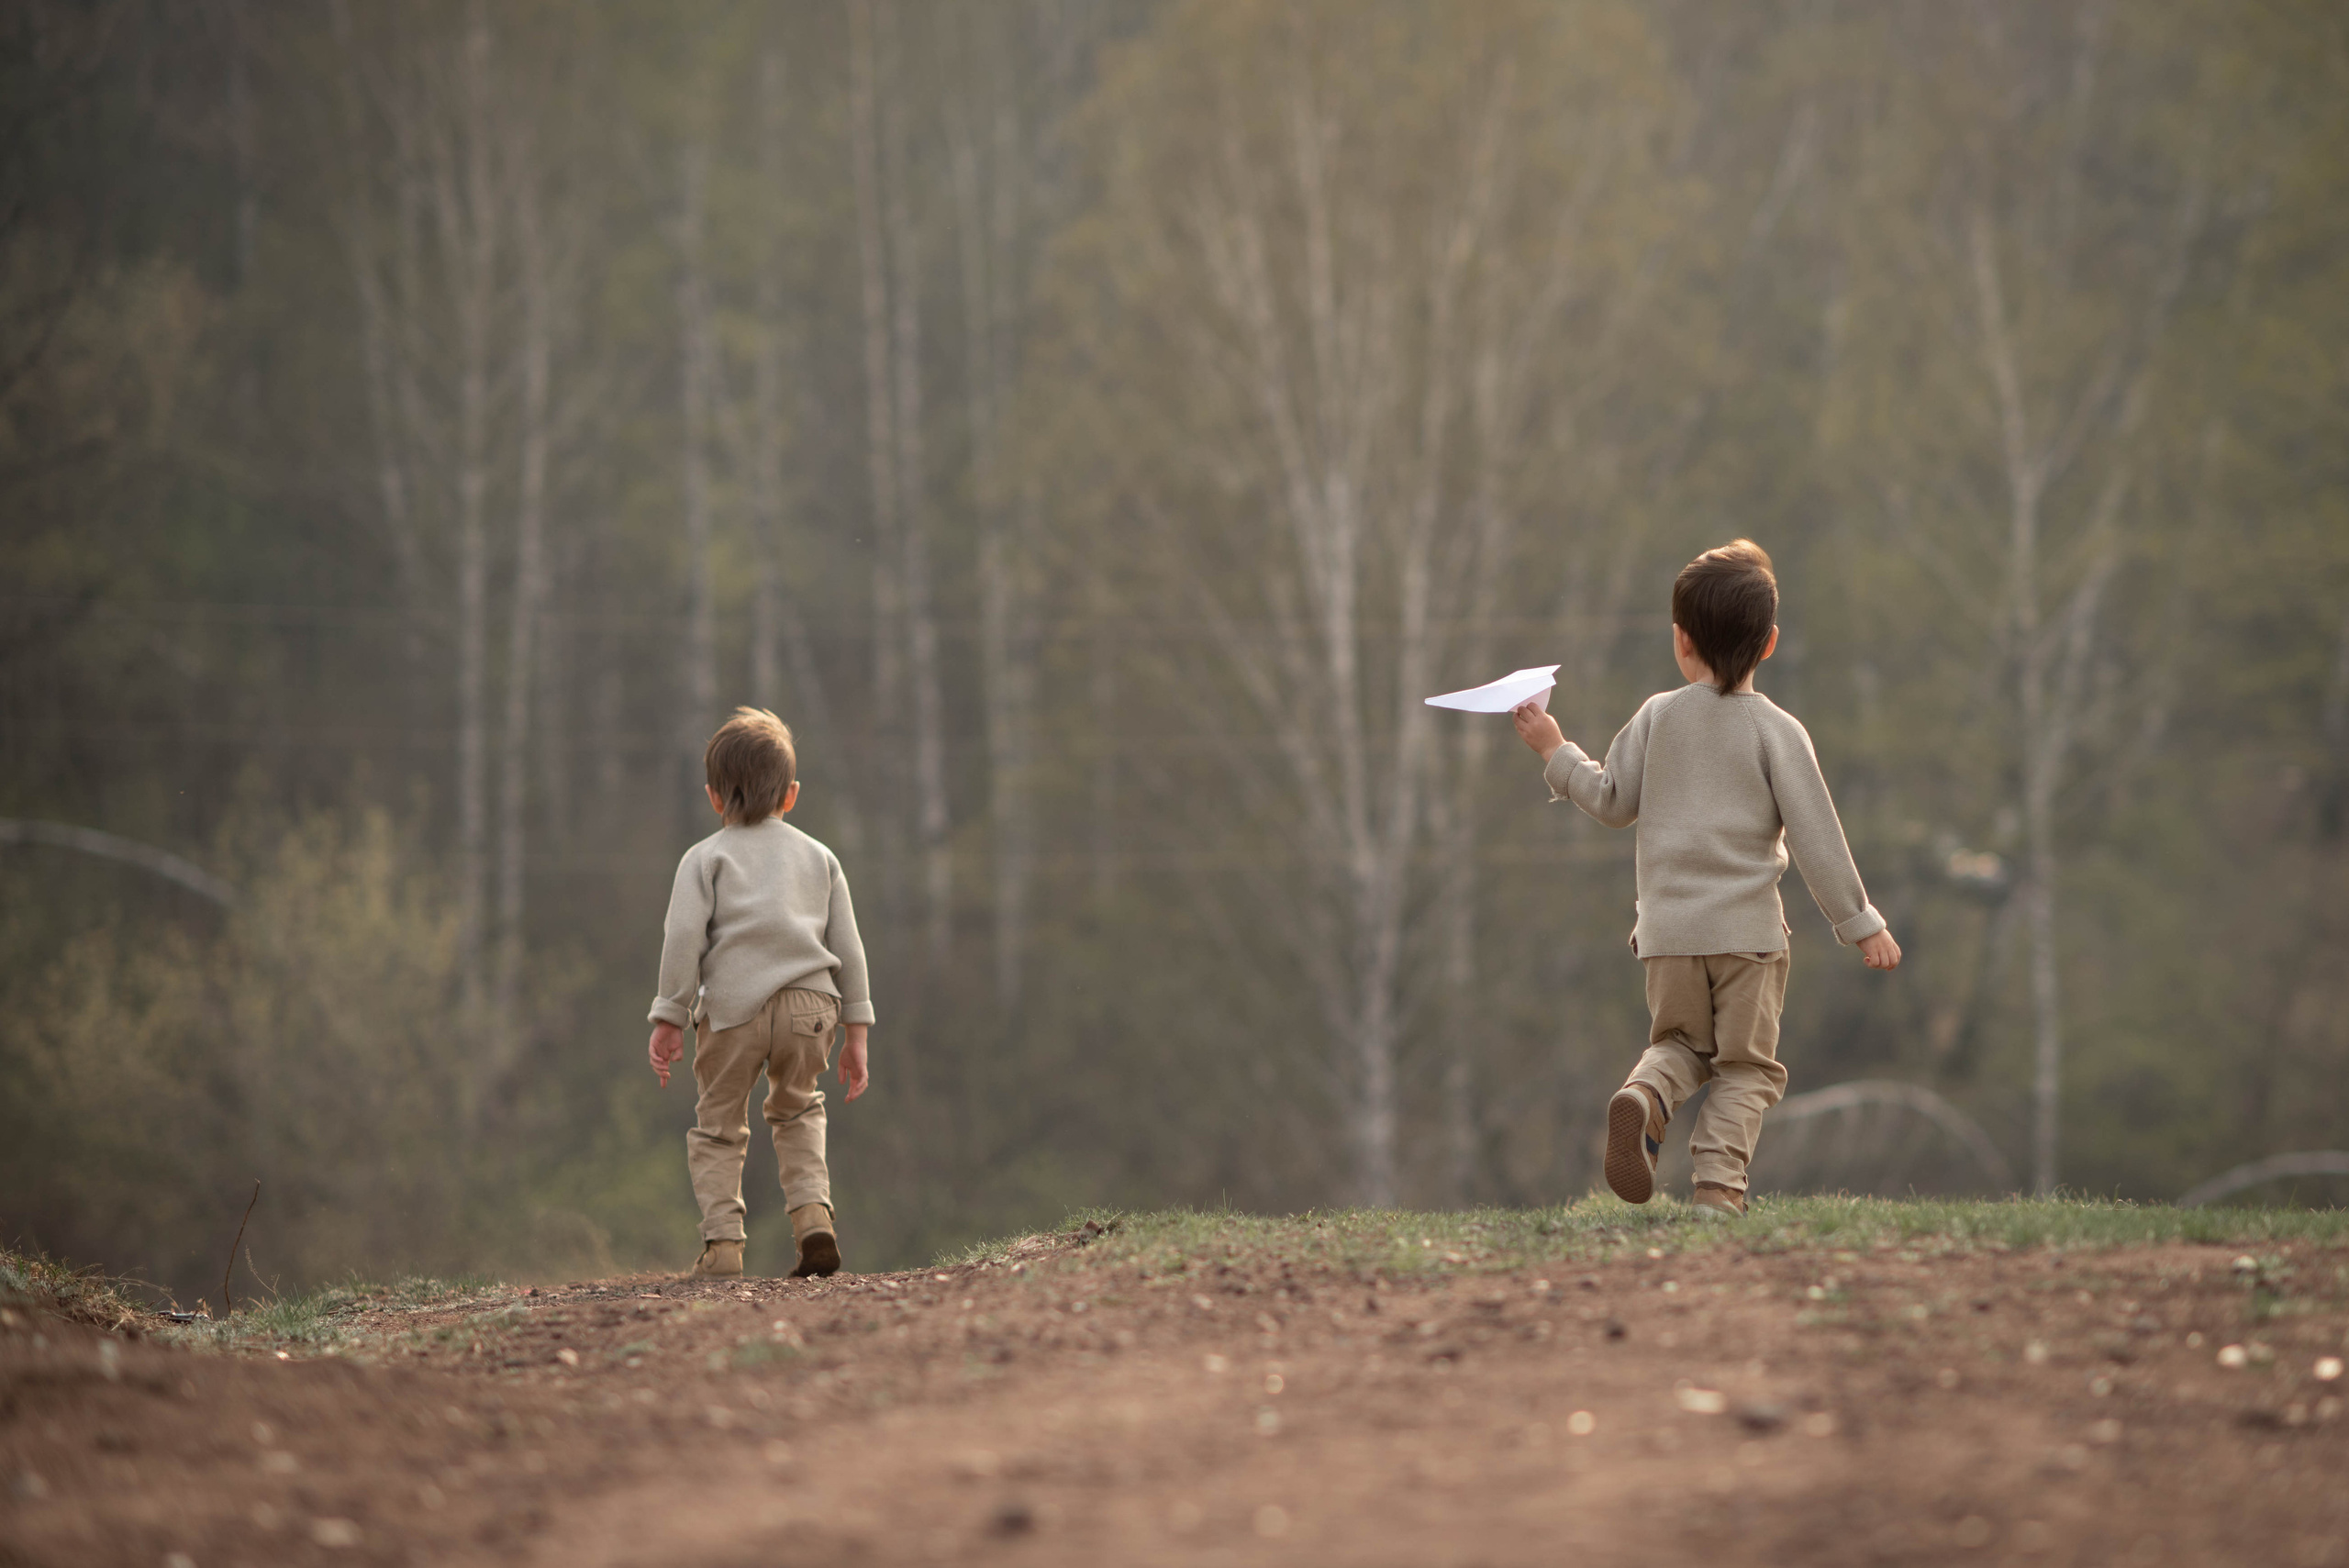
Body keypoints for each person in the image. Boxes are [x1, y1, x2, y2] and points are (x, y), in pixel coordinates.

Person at [1510, 540, 1899, 1219]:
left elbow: (1609, 801)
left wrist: (1555, 748)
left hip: (1667, 936)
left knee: (1678, 1046)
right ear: (1770, 644)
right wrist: (1861, 922)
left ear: (1680, 641)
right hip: (1748, 940)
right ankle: (1718, 1190)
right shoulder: (1777, 731)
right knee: (1746, 1069)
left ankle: (1647, 1095)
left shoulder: (1658, 716)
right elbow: (1817, 838)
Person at [646, 707, 874, 1277]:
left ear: (714, 797)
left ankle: (723, 1246)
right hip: (811, 1009)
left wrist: (670, 1016)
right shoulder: (820, 858)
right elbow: (849, 946)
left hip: (733, 1010)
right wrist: (857, 1032)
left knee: (719, 1125)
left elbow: (682, 938)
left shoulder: (704, 859)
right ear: (791, 795)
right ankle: (814, 1220)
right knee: (798, 1110)